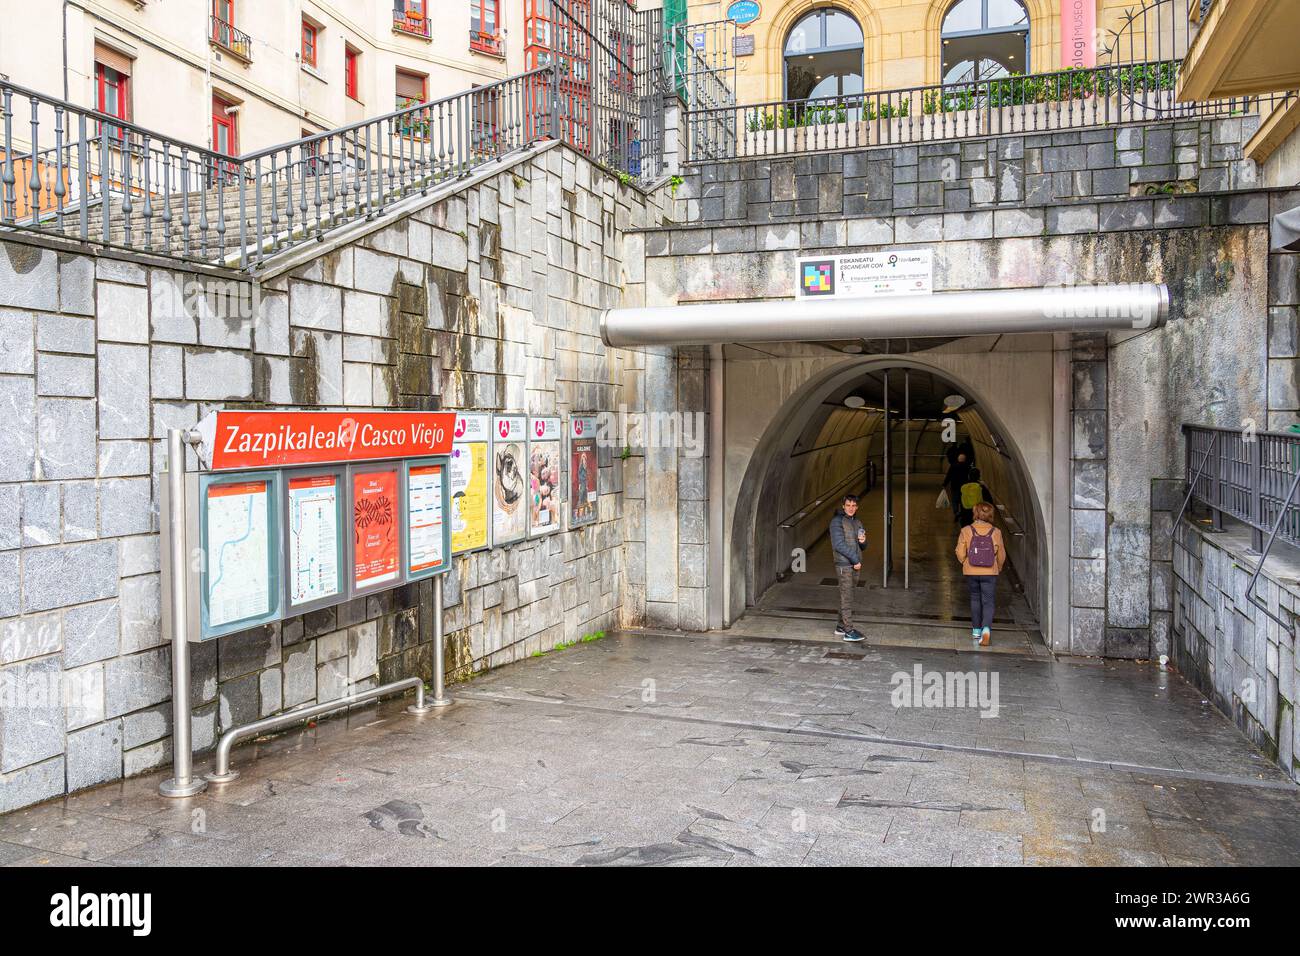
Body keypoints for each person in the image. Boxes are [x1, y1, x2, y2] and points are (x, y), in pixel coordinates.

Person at [955, 501, 1005, 646]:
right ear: (990, 515)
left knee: (975, 599)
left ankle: (976, 630)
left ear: (975, 513)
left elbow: (959, 551)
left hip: (971, 571)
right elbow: (1001, 554)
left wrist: (965, 562)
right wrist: (999, 567)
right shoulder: (996, 532)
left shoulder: (966, 530)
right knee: (988, 601)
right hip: (990, 572)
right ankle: (986, 629)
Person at [829, 494, 867, 643]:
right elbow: (838, 544)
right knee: (847, 597)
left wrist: (863, 542)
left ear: (856, 507)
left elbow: (862, 546)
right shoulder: (836, 522)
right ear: (843, 506)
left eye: (854, 505)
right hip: (844, 565)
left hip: (855, 565)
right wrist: (855, 559)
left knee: (848, 595)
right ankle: (849, 631)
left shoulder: (857, 522)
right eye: (848, 505)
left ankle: (840, 626)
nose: (851, 508)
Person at [942, 451, 971, 524]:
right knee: (962, 500)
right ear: (964, 459)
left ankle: (956, 512)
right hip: (964, 487)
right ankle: (961, 513)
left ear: (958, 459)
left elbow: (949, 475)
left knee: (954, 500)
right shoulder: (968, 466)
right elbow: (970, 477)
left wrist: (944, 484)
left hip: (954, 486)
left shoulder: (953, 466)